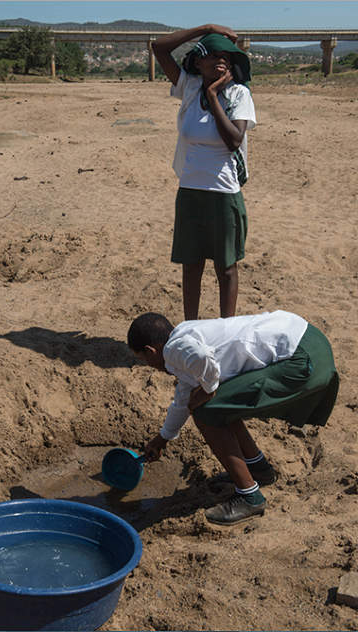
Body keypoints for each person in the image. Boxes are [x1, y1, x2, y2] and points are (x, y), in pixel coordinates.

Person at [127, 311, 339, 526]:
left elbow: (201, 358)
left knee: (206, 412)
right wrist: (160, 440)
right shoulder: (184, 337)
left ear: (150, 350)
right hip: (311, 342)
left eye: (142, 359)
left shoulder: (174, 350)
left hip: (302, 361)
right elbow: (183, 401)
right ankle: (259, 470)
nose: (147, 364)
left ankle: (250, 497)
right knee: (220, 404)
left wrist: (208, 390)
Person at [152, 25, 256, 320]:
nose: (219, 60)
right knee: (191, 265)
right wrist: (206, 28)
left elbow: (234, 139)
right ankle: (191, 327)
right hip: (189, 191)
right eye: (211, 55)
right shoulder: (189, 86)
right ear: (197, 61)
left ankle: (227, 331)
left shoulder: (238, 94)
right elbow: (159, 47)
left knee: (226, 268)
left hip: (224, 194)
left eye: (225, 56)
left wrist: (213, 95)